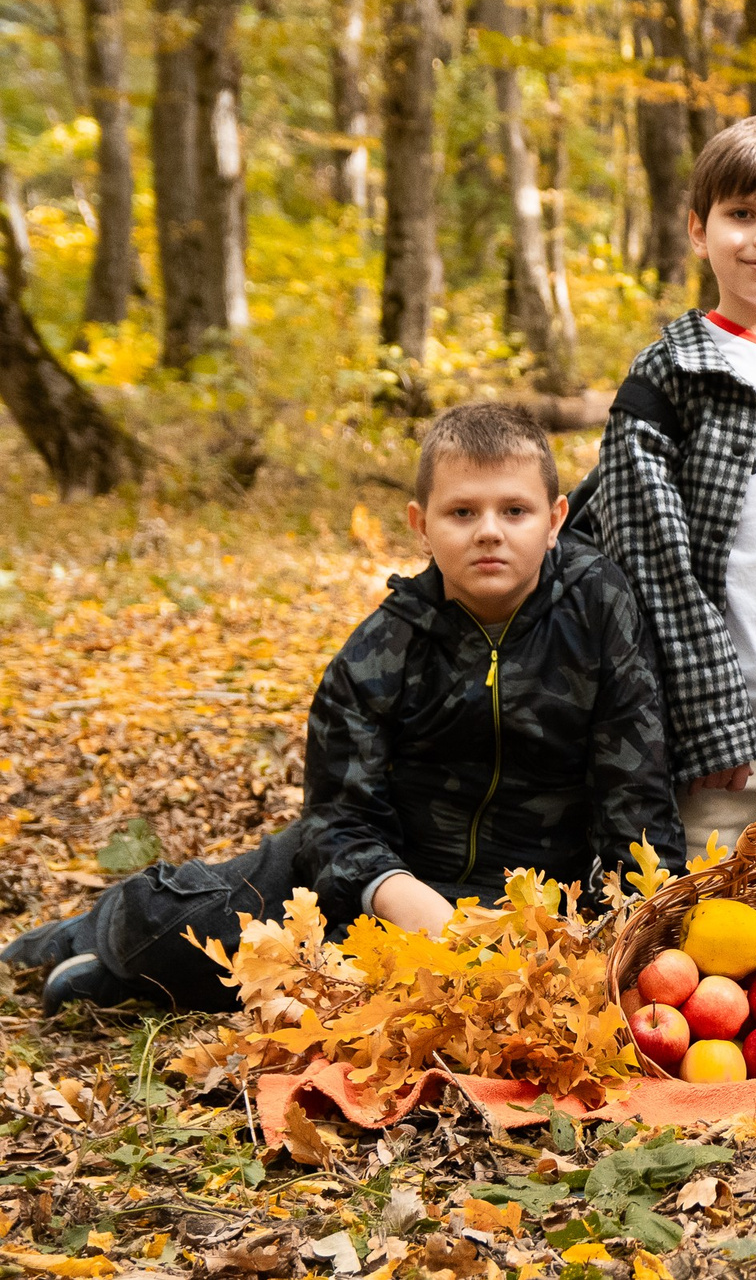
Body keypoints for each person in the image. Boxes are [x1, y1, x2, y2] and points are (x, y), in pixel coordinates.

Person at [4, 405, 681, 1012]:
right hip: (381, 884)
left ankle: (114, 971)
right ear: (421, 526)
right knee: (174, 921)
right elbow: (337, 820)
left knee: (372, 997)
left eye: (515, 511)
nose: (489, 534)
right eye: (462, 512)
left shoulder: (598, 610)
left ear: (556, 519)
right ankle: (93, 941)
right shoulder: (381, 650)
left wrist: (632, 922)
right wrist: (392, 889)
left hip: (529, 900)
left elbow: (635, 788)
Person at [583, 117, 756, 855]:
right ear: (698, 229)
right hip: (720, 713)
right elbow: (649, 561)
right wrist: (710, 719)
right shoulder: (672, 372)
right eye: (742, 214)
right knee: (709, 924)